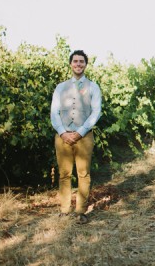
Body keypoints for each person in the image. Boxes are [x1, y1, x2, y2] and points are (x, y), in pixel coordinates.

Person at [50, 50, 102, 224]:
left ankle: (81, 211)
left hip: (84, 137)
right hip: (62, 136)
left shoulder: (93, 87)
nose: (78, 64)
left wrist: (80, 132)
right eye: (75, 61)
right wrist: (62, 132)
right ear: (70, 64)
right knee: (64, 174)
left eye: (81, 61)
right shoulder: (60, 87)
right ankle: (64, 210)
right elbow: (54, 112)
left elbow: (96, 112)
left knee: (83, 173)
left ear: (85, 64)